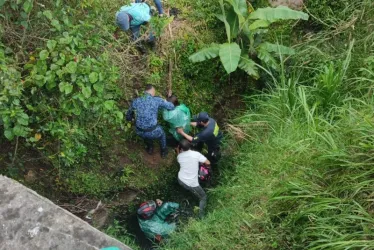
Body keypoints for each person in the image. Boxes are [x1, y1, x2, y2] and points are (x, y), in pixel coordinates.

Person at [126, 84, 174, 158]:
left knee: (145, 132)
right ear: (152, 91)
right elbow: (171, 107)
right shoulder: (157, 100)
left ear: (145, 91)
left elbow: (128, 115)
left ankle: (150, 148)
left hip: (139, 131)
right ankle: (163, 151)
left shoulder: (136, 101)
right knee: (162, 134)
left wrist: (131, 119)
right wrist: (167, 99)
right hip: (153, 132)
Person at [177, 139, 210, 218]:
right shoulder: (196, 154)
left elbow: (179, 156)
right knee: (203, 197)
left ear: (181, 149)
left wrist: (178, 150)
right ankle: (201, 216)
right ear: (190, 146)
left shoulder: (179, 156)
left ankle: (188, 193)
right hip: (191, 183)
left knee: (189, 187)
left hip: (180, 179)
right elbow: (208, 162)